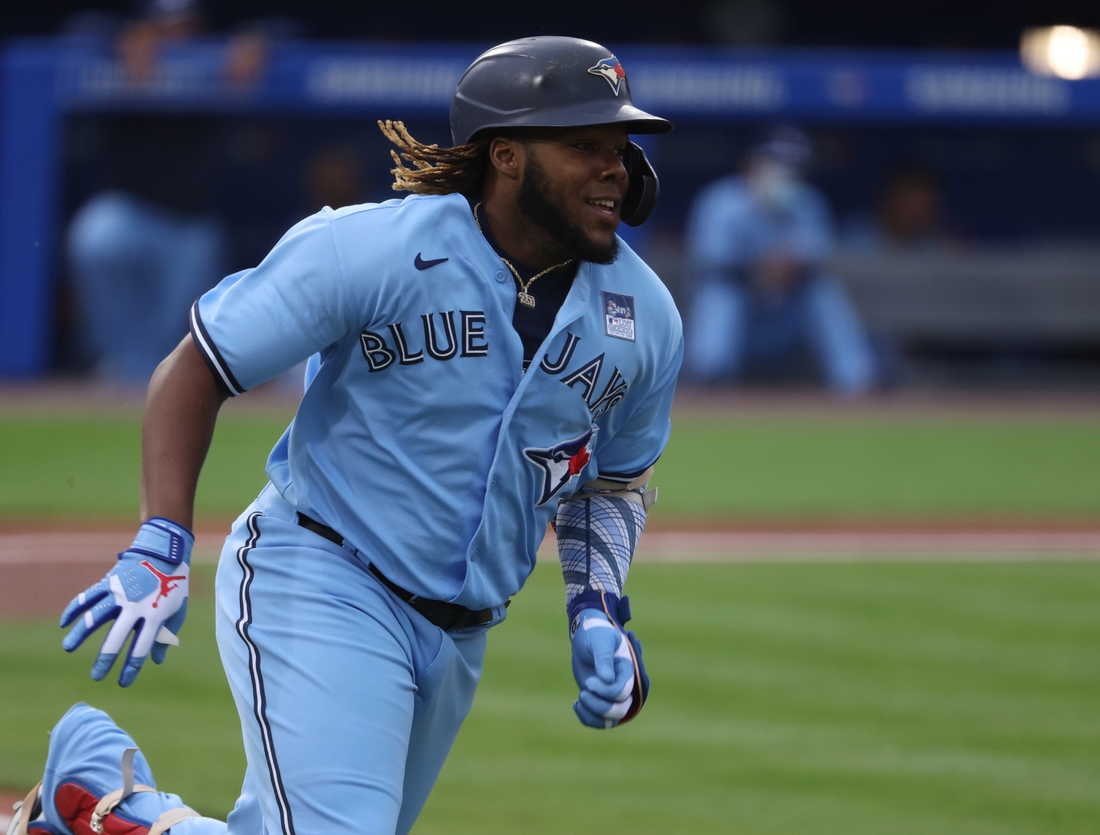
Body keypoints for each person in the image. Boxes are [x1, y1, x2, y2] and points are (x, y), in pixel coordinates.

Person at [49, 37, 682, 835]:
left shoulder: (646, 317)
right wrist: (161, 537)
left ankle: (107, 803)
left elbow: (611, 483)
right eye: (584, 145)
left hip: (461, 635)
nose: (614, 168)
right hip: (322, 573)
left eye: (620, 148)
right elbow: (197, 366)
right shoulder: (372, 247)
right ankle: (108, 801)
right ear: (509, 156)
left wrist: (597, 608)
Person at [683, 126, 876, 394]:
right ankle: (710, 379)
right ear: (752, 163)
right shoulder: (720, 201)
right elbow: (710, 263)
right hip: (741, 317)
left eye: (794, 167)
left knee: (822, 292)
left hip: (786, 318)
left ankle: (857, 383)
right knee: (719, 293)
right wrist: (757, 269)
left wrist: (788, 268)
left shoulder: (808, 202)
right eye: (777, 164)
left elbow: (817, 258)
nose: (786, 174)